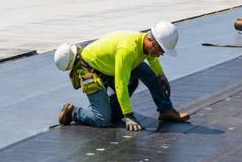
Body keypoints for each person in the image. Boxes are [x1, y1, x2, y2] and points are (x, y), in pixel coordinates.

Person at [56, 22, 190, 131]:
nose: (161, 54)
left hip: (108, 65)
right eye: (161, 50)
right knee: (103, 120)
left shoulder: (143, 43)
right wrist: (128, 115)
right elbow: (120, 84)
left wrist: (161, 75)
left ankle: (166, 110)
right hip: (90, 69)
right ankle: (73, 113)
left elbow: (152, 59)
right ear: (151, 41)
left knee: (148, 76)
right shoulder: (128, 50)